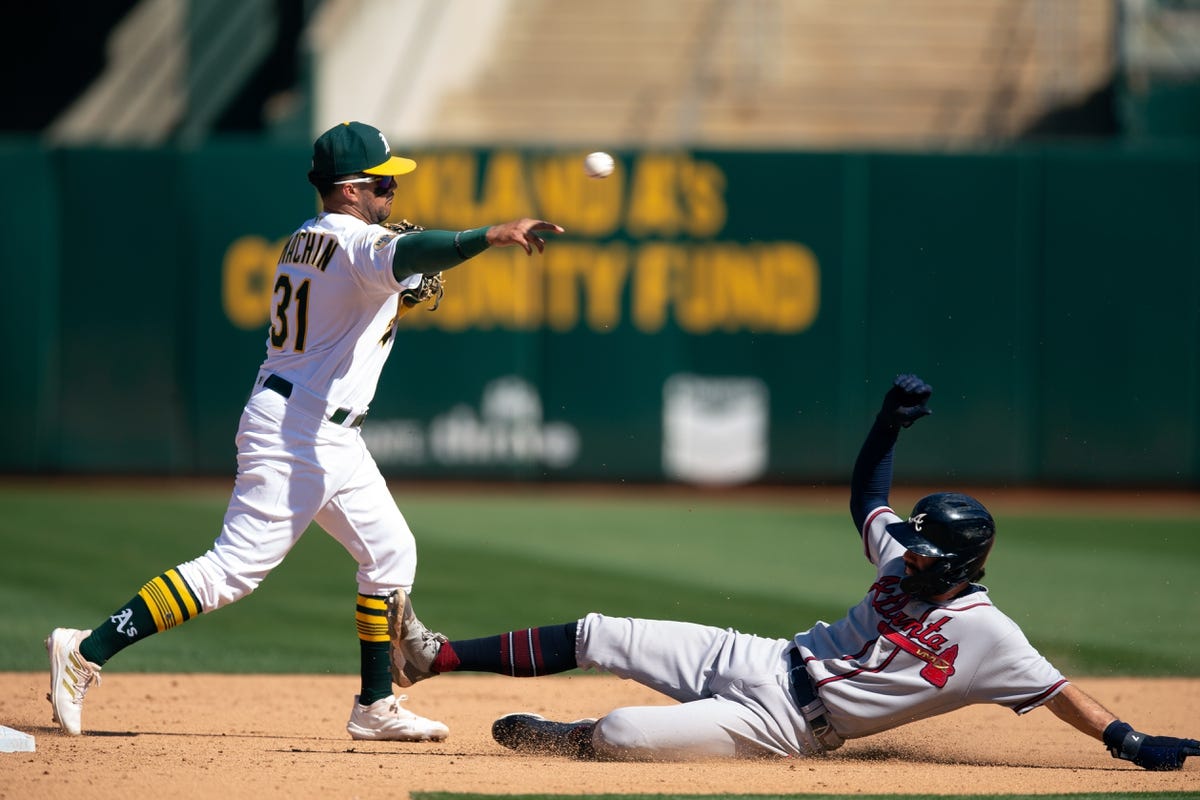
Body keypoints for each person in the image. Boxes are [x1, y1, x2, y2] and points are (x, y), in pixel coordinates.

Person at [46, 120, 564, 741]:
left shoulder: (306, 239)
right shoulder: (354, 245)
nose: (391, 195)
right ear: (350, 190)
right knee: (231, 570)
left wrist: (392, 293)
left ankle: (374, 706)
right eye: (382, 184)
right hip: (296, 432)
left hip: (327, 433)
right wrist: (492, 235)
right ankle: (84, 652)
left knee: (391, 553)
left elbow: (358, 297)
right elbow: (408, 253)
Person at [387, 374, 1200, 768]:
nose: (904, 551)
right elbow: (867, 500)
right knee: (602, 631)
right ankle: (434, 658)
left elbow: (1064, 695)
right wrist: (886, 428)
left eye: (921, 550)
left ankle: (570, 739)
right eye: (908, 544)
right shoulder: (905, 563)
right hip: (763, 657)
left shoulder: (989, 635)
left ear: (956, 564)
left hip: (789, 730)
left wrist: (1132, 742)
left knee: (624, 731)